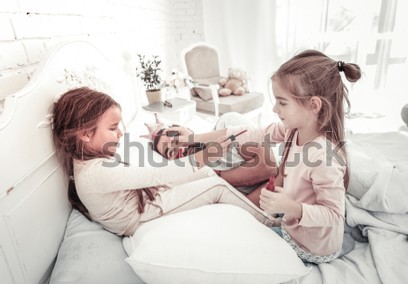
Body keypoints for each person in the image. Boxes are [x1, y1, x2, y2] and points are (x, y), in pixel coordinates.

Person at [172, 50, 361, 263]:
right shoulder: (293, 130)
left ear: (313, 105)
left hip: (308, 244)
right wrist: (192, 137)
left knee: (226, 244)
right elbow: (244, 134)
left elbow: (334, 216)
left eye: (282, 102)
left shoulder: (325, 156)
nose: (274, 108)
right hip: (292, 222)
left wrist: (290, 207)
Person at [51, 87, 278, 237]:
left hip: (146, 202)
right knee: (215, 185)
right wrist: (204, 156)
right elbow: (154, 174)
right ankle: (270, 227)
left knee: (208, 175)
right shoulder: (93, 173)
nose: (120, 134)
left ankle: (249, 210)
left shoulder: (93, 160)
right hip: (139, 218)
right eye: (112, 128)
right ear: (85, 134)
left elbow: (149, 175)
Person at [143, 112, 278, 206]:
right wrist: (210, 175)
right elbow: (249, 207)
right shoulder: (200, 184)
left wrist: (195, 139)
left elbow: (268, 166)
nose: (179, 145)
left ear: (186, 128)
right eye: (170, 152)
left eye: (175, 135)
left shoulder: (226, 124)